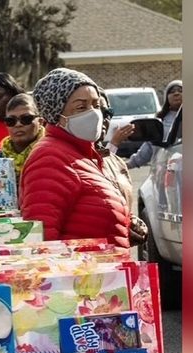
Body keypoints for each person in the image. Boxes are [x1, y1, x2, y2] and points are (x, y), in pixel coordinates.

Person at [20, 68, 131, 248]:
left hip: (101, 271)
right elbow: (42, 238)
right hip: (81, 275)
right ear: (57, 114)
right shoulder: (50, 158)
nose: (94, 113)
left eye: (96, 105)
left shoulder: (83, 155)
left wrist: (127, 224)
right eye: (81, 107)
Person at [96, 91, 148, 247]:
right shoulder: (66, 158)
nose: (103, 118)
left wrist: (130, 221)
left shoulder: (116, 161)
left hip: (118, 254)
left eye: (108, 113)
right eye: (97, 111)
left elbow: (117, 205)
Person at [0, 93, 45, 185]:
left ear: (40, 122)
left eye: (26, 119)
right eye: (11, 120)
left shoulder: (53, 155)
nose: (18, 124)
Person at [127, 80, 182, 168]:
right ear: (166, 98)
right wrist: (130, 164)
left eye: (180, 90)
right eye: (171, 92)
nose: (176, 94)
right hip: (163, 171)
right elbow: (149, 145)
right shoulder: (159, 120)